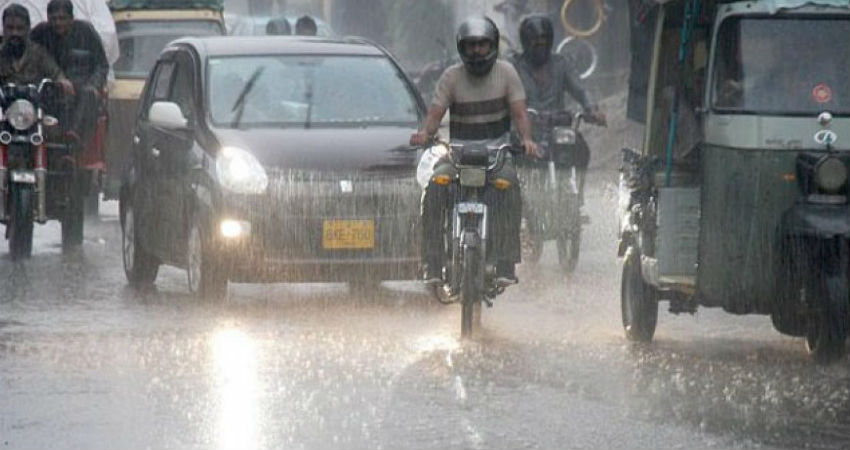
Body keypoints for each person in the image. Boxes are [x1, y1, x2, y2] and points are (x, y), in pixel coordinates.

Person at [410, 16, 538, 287]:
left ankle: (505, 262)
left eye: (482, 45)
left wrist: (527, 139)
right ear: (461, 48)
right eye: (471, 46)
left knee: (510, 187)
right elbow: (435, 115)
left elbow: (520, 113)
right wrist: (425, 134)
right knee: (434, 186)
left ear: (492, 45)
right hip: (456, 156)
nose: (477, 51)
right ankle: (432, 262)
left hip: (497, 155)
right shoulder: (451, 77)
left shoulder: (507, 73)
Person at [509, 14, 604, 196]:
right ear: (525, 41)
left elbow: (581, 89)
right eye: (535, 39)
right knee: (509, 159)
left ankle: (577, 195)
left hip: (558, 127)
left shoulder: (561, 63)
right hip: (525, 130)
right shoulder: (514, 66)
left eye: (544, 38)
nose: (540, 43)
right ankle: (515, 201)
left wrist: (592, 109)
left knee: (581, 149)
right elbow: (503, 91)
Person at [30, 0, 109, 146]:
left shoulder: (86, 32)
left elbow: (102, 65)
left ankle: (73, 138)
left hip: (82, 90)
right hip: (49, 89)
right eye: (54, 19)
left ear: (71, 18)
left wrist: (94, 84)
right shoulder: (40, 33)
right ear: (48, 18)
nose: (58, 23)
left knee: (88, 95)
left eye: (62, 18)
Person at [0, 4, 72, 93]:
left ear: (28, 29)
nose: (15, 33)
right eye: (10, 28)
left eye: (20, 28)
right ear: (3, 28)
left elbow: (56, 74)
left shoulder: (39, 54)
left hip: (33, 104)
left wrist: (63, 82)